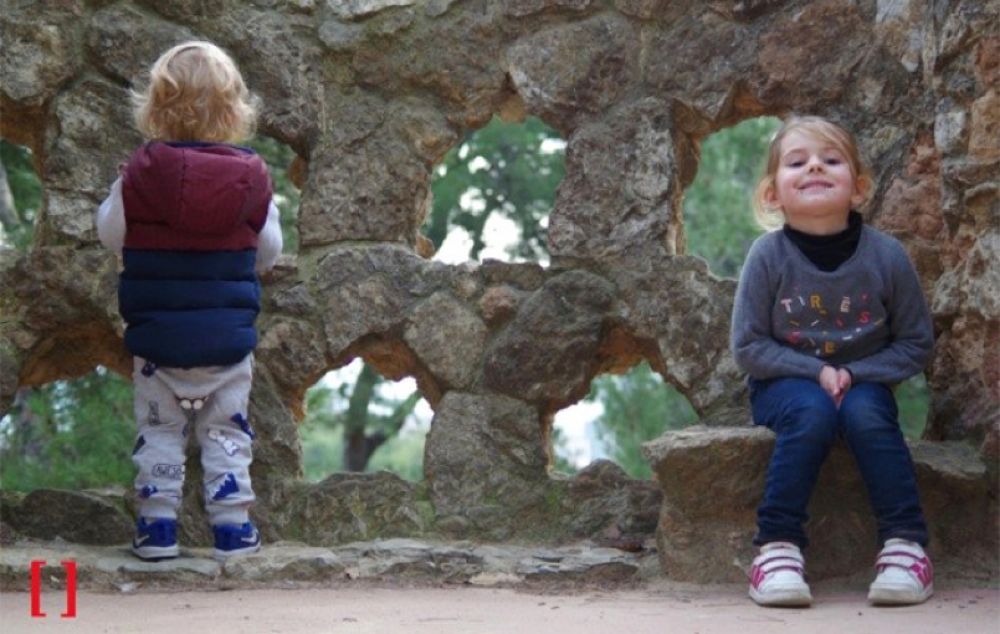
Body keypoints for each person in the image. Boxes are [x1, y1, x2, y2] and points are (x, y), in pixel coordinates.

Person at [730, 115, 934, 607]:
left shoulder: (886, 256)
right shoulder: (767, 256)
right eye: (797, 162)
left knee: (866, 413)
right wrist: (817, 372)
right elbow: (750, 346)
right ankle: (777, 550)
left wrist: (855, 373)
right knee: (812, 411)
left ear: (858, 187)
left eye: (831, 160)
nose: (815, 166)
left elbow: (915, 343)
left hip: (864, 381)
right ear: (773, 194)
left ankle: (906, 548)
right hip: (784, 383)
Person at [96, 41, 282, 561]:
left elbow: (111, 233)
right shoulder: (252, 177)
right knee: (227, 432)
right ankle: (231, 529)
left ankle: (157, 528)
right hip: (226, 343)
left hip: (158, 341)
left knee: (159, 431)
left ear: (155, 107)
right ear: (234, 110)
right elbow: (268, 250)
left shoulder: (137, 174)